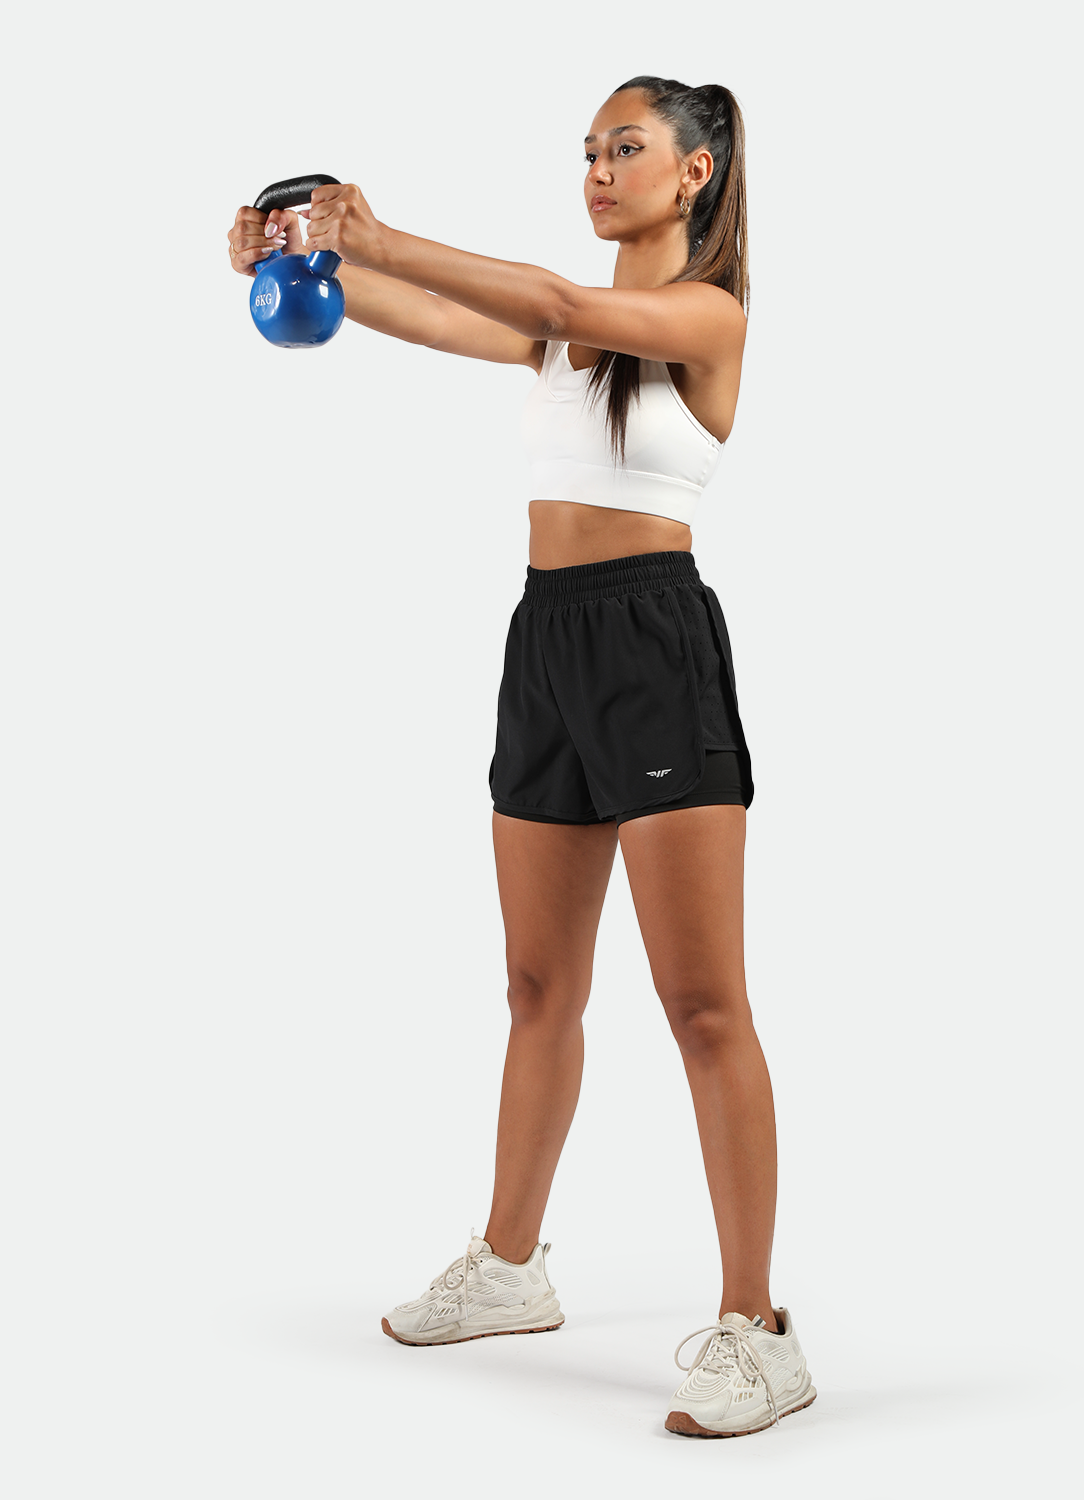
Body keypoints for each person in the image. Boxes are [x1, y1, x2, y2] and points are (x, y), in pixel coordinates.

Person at [227, 75, 814, 1438]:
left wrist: (374, 231)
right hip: (545, 645)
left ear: (698, 174)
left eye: (630, 148)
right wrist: (293, 254)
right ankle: (509, 1266)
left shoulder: (706, 321)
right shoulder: (562, 343)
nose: (601, 167)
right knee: (537, 984)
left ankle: (756, 1328)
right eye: (589, 149)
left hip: (657, 649)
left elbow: (552, 300)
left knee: (704, 1006)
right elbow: (435, 315)